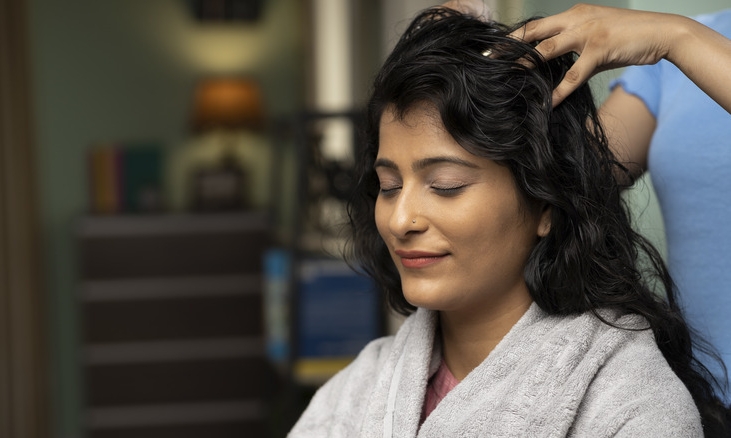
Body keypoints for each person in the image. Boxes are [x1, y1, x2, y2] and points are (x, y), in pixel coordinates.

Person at [289, 7, 730, 437]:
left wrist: (679, 37)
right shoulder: (357, 390)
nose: (400, 220)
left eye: (445, 185)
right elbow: (579, 168)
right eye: (388, 185)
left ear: (545, 206)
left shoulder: (627, 403)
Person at [512, 3, 731, 401]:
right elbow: (572, 179)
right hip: (697, 399)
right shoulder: (679, 56)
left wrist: (679, 38)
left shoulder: (679, 40)